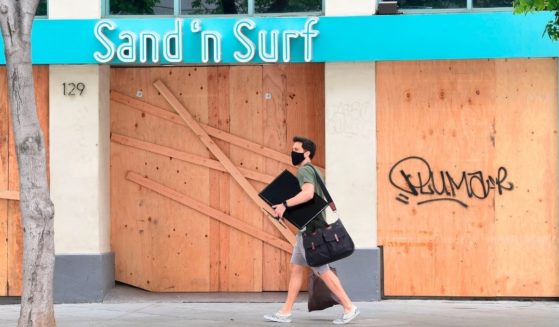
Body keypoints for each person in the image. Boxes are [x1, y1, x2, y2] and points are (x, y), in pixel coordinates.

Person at [264, 136, 360, 325]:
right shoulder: (314, 170)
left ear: (307, 153)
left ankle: (349, 307)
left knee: (321, 269)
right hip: (307, 228)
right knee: (297, 268)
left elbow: (307, 194)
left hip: (311, 230)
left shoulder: (305, 171)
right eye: (292, 149)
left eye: (297, 149)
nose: (293, 152)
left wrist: (284, 204)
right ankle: (285, 312)